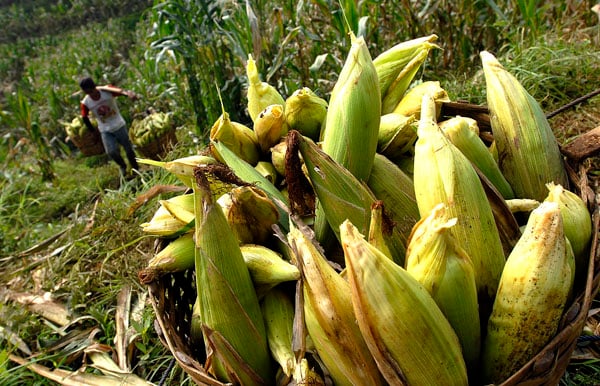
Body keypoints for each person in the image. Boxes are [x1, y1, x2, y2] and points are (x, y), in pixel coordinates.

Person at [79, 77, 139, 177]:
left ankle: (135, 169)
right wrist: (93, 131)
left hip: (119, 125)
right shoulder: (86, 102)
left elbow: (122, 92)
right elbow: (84, 117)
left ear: (93, 88)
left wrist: (130, 95)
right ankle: (123, 166)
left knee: (129, 149)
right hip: (105, 129)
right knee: (111, 152)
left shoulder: (107, 91)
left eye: (91, 91)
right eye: (88, 93)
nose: (91, 95)